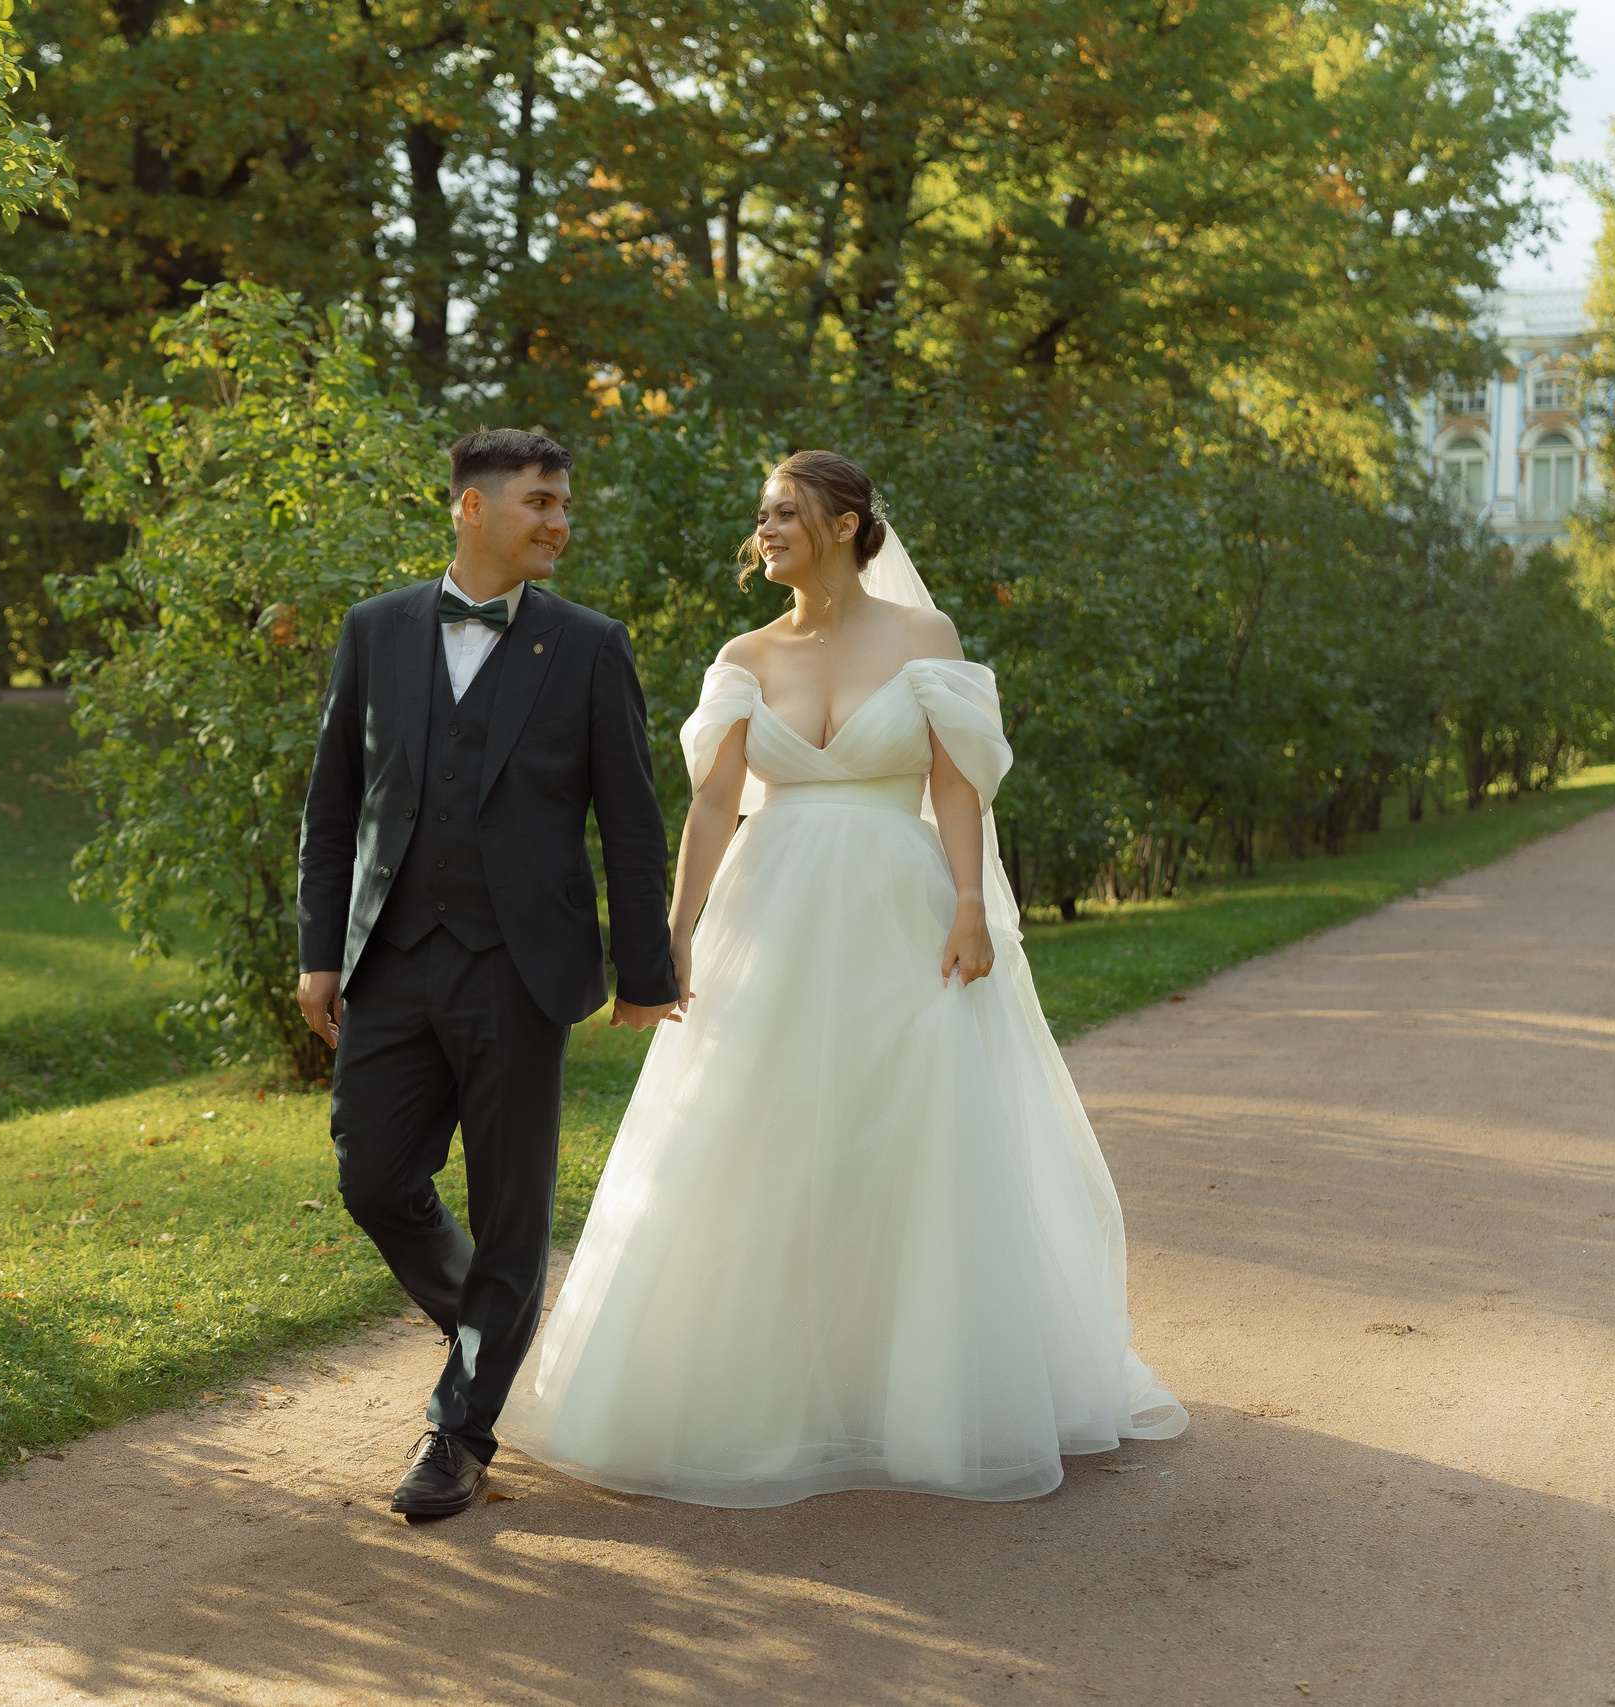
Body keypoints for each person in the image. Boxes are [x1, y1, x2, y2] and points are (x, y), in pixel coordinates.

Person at [497, 450, 1188, 1506]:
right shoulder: (744, 654)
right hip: (768, 917)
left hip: (898, 913)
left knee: (903, 1134)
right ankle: (756, 1392)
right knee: (754, 1136)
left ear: (846, 523)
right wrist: (676, 933)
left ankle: (911, 1392)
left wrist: (969, 903)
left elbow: (955, 785)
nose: (765, 530)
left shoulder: (924, 638)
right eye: (763, 513)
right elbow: (714, 804)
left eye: (785, 512)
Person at [296, 428, 681, 1519]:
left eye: (564, 504)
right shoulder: (375, 630)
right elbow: (334, 804)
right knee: (374, 1177)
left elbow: (631, 821)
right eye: (540, 501)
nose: (560, 521)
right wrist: (319, 950)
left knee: (511, 1209)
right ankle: (496, 1328)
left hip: (521, 968)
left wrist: (645, 968)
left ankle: (458, 1431)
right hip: (390, 958)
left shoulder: (590, 646)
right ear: (473, 507)